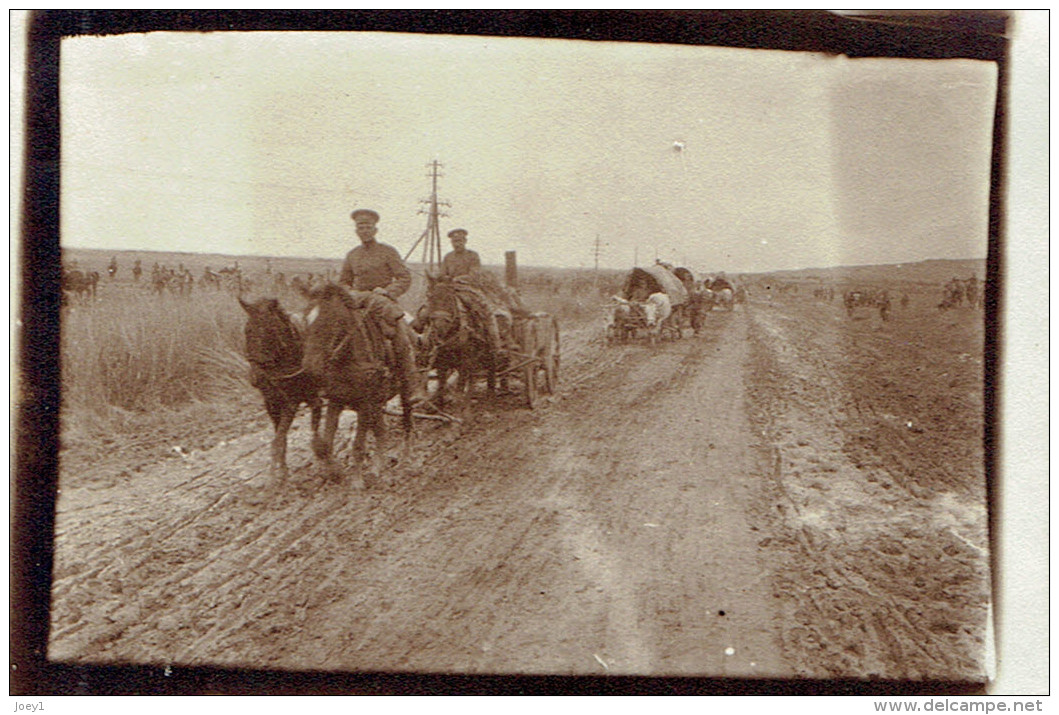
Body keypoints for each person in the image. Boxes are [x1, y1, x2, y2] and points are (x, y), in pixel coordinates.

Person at [338, 209, 427, 405]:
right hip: (359, 302)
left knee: (399, 331)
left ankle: (413, 384)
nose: (364, 230)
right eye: (360, 227)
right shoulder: (352, 255)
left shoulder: (388, 252)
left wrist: (388, 291)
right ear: (356, 231)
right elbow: (344, 282)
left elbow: (404, 278)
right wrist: (350, 293)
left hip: (384, 303)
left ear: (375, 229)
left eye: (368, 226)